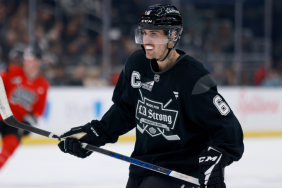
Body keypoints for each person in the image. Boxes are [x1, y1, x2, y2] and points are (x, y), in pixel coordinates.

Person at [58, 4, 244, 188]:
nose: (145, 40)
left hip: (179, 171)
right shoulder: (136, 64)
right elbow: (125, 111)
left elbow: (229, 130)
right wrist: (95, 133)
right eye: (144, 33)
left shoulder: (192, 77)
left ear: (172, 36)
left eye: (153, 34)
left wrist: (216, 158)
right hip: (142, 165)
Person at [0, 45, 49, 169]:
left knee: (11, 145)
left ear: (38, 62)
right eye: (25, 59)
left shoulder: (43, 85)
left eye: (30, 60)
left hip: (15, 123)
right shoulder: (12, 72)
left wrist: (29, 123)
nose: (26, 62)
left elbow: (39, 110)